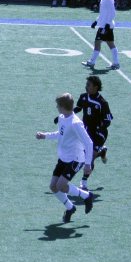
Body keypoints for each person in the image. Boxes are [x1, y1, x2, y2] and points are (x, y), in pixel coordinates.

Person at [35, 93, 95, 224]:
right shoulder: (62, 118)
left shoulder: (76, 123)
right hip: (64, 158)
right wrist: (45, 135)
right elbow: (60, 134)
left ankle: (87, 196)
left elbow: (89, 143)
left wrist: (88, 164)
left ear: (62, 107)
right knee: (53, 186)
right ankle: (70, 207)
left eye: (58, 105)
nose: (56, 107)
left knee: (61, 185)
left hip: (75, 159)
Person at [74, 75, 112, 191]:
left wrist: (100, 127)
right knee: (86, 155)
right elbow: (78, 108)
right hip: (86, 132)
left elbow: (108, 120)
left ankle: (84, 181)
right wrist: (65, 114)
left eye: (88, 85)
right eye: (86, 85)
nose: (86, 87)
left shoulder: (102, 103)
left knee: (89, 158)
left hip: (98, 134)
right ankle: (101, 152)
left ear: (96, 87)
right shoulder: (83, 97)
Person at [82, 0, 121, 70]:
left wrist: (107, 24)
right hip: (105, 25)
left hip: (105, 26)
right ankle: (116, 63)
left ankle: (92, 62)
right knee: (110, 43)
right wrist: (96, 21)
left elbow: (113, 13)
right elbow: (103, 14)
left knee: (97, 42)